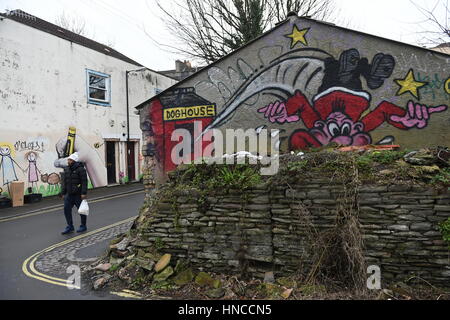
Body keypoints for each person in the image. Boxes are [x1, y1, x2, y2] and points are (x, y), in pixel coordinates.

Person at [60, 152, 88, 234]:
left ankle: (83, 225)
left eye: (69, 159)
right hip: (69, 194)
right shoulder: (67, 169)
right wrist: (63, 192)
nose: (68, 161)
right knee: (66, 209)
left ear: (73, 160)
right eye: (68, 159)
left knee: (81, 211)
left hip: (78, 194)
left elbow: (84, 182)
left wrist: (83, 193)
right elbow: (65, 182)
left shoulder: (81, 169)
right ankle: (70, 226)